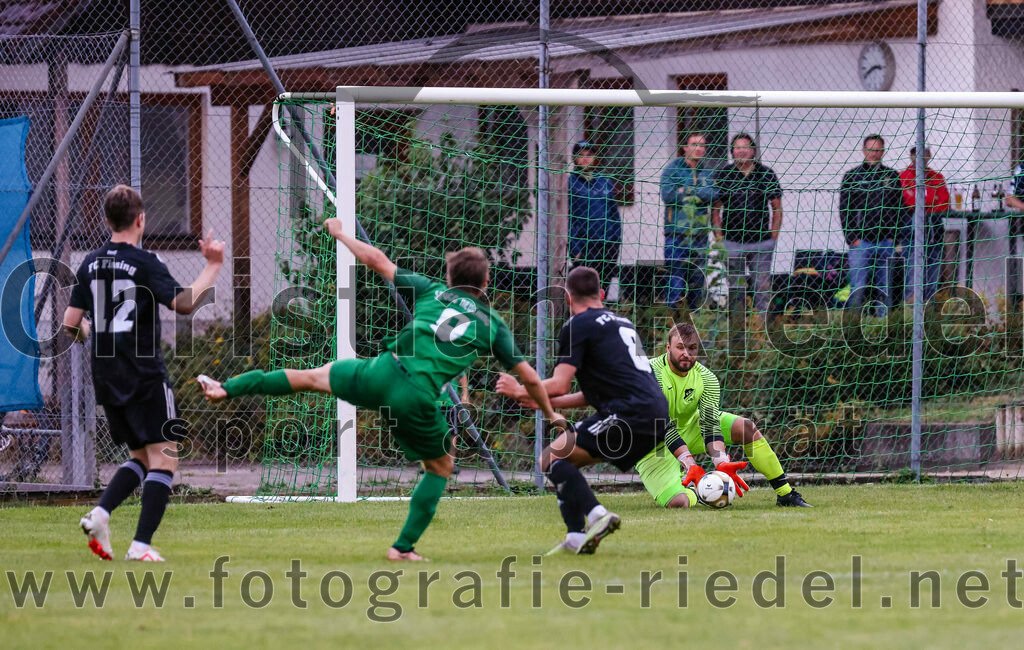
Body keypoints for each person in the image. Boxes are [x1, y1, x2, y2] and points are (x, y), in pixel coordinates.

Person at [199, 221, 564, 562]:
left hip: (381, 370)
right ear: (485, 283)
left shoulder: (433, 290)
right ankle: (403, 548)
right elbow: (530, 378)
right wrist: (549, 413)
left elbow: (377, 260)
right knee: (441, 465)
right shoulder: (493, 325)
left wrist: (341, 234)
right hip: (416, 394)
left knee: (309, 376)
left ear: (449, 277)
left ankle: (223, 388)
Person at [66, 184, 225, 562]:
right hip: (143, 373)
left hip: (106, 374)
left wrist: (94, 334)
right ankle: (139, 546)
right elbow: (184, 303)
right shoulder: (144, 261)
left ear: (107, 221)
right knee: (166, 455)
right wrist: (213, 265)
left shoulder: (88, 264)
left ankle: (101, 515)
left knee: (141, 455)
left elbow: (71, 323)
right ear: (141, 220)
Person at [509, 323, 811, 509]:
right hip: (650, 441)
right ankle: (696, 490)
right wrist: (690, 465)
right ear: (668, 347)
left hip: (688, 432)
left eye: (692, 349)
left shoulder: (707, 378)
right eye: (681, 347)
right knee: (679, 503)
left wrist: (720, 463)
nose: (687, 354)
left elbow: (708, 425)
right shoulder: (650, 371)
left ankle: (785, 493)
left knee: (745, 426)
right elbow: (659, 423)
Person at [495, 266, 668, 554]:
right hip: (655, 412)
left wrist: (520, 390)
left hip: (629, 412)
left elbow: (561, 384)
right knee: (561, 459)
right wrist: (541, 402)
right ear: (601, 294)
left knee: (551, 458)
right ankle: (576, 537)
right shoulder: (622, 323)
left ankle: (597, 516)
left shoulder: (578, 325)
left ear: (568, 298)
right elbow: (591, 394)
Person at [711, 133, 783, 313]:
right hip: (733, 242)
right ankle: (738, 331)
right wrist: (719, 238)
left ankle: (762, 330)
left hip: (761, 242)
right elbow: (715, 210)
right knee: (736, 288)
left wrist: (773, 236)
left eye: (745, 147)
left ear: (753, 151)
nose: (741, 151)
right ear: (732, 152)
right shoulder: (724, 175)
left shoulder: (766, 174)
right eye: (737, 147)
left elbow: (777, 208)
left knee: (762, 287)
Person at [839, 134, 909, 313]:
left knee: (884, 290)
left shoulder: (891, 176)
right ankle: (853, 329)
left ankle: (881, 329)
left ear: (883, 152)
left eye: (877, 150)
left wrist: (895, 238)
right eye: (870, 149)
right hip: (861, 242)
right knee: (858, 288)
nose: (873, 153)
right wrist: (852, 238)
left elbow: (899, 208)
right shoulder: (852, 176)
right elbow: (845, 210)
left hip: (886, 242)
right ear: (863, 151)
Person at [660, 132, 718, 308]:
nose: (698, 148)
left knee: (697, 281)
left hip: (700, 236)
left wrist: (684, 190)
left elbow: (713, 194)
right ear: (685, 147)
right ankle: (672, 323)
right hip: (676, 235)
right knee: (675, 280)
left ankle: (694, 322)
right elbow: (668, 195)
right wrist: (697, 191)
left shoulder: (707, 172)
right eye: (694, 144)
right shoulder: (672, 169)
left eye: (702, 145)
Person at [568, 141, 622, 295]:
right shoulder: (570, 183)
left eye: (589, 155)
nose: (585, 159)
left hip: (607, 246)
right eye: (581, 155)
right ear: (575, 158)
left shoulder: (605, 182)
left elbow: (614, 215)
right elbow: (567, 218)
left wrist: (615, 242)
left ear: (595, 158)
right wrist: (575, 249)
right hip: (584, 247)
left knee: (603, 288)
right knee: (584, 291)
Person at [898, 146, 950, 303]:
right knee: (913, 278)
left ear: (929, 156)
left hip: (935, 233)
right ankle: (911, 318)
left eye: (924, 155)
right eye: (917, 156)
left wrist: (922, 204)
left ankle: (929, 318)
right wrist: (930, 202)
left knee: (932, 280)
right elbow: (907, 203)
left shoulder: (936, 177)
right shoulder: (903, 177)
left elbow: (945, 204)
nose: (921, 159)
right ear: (911, 157)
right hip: (912, 235)